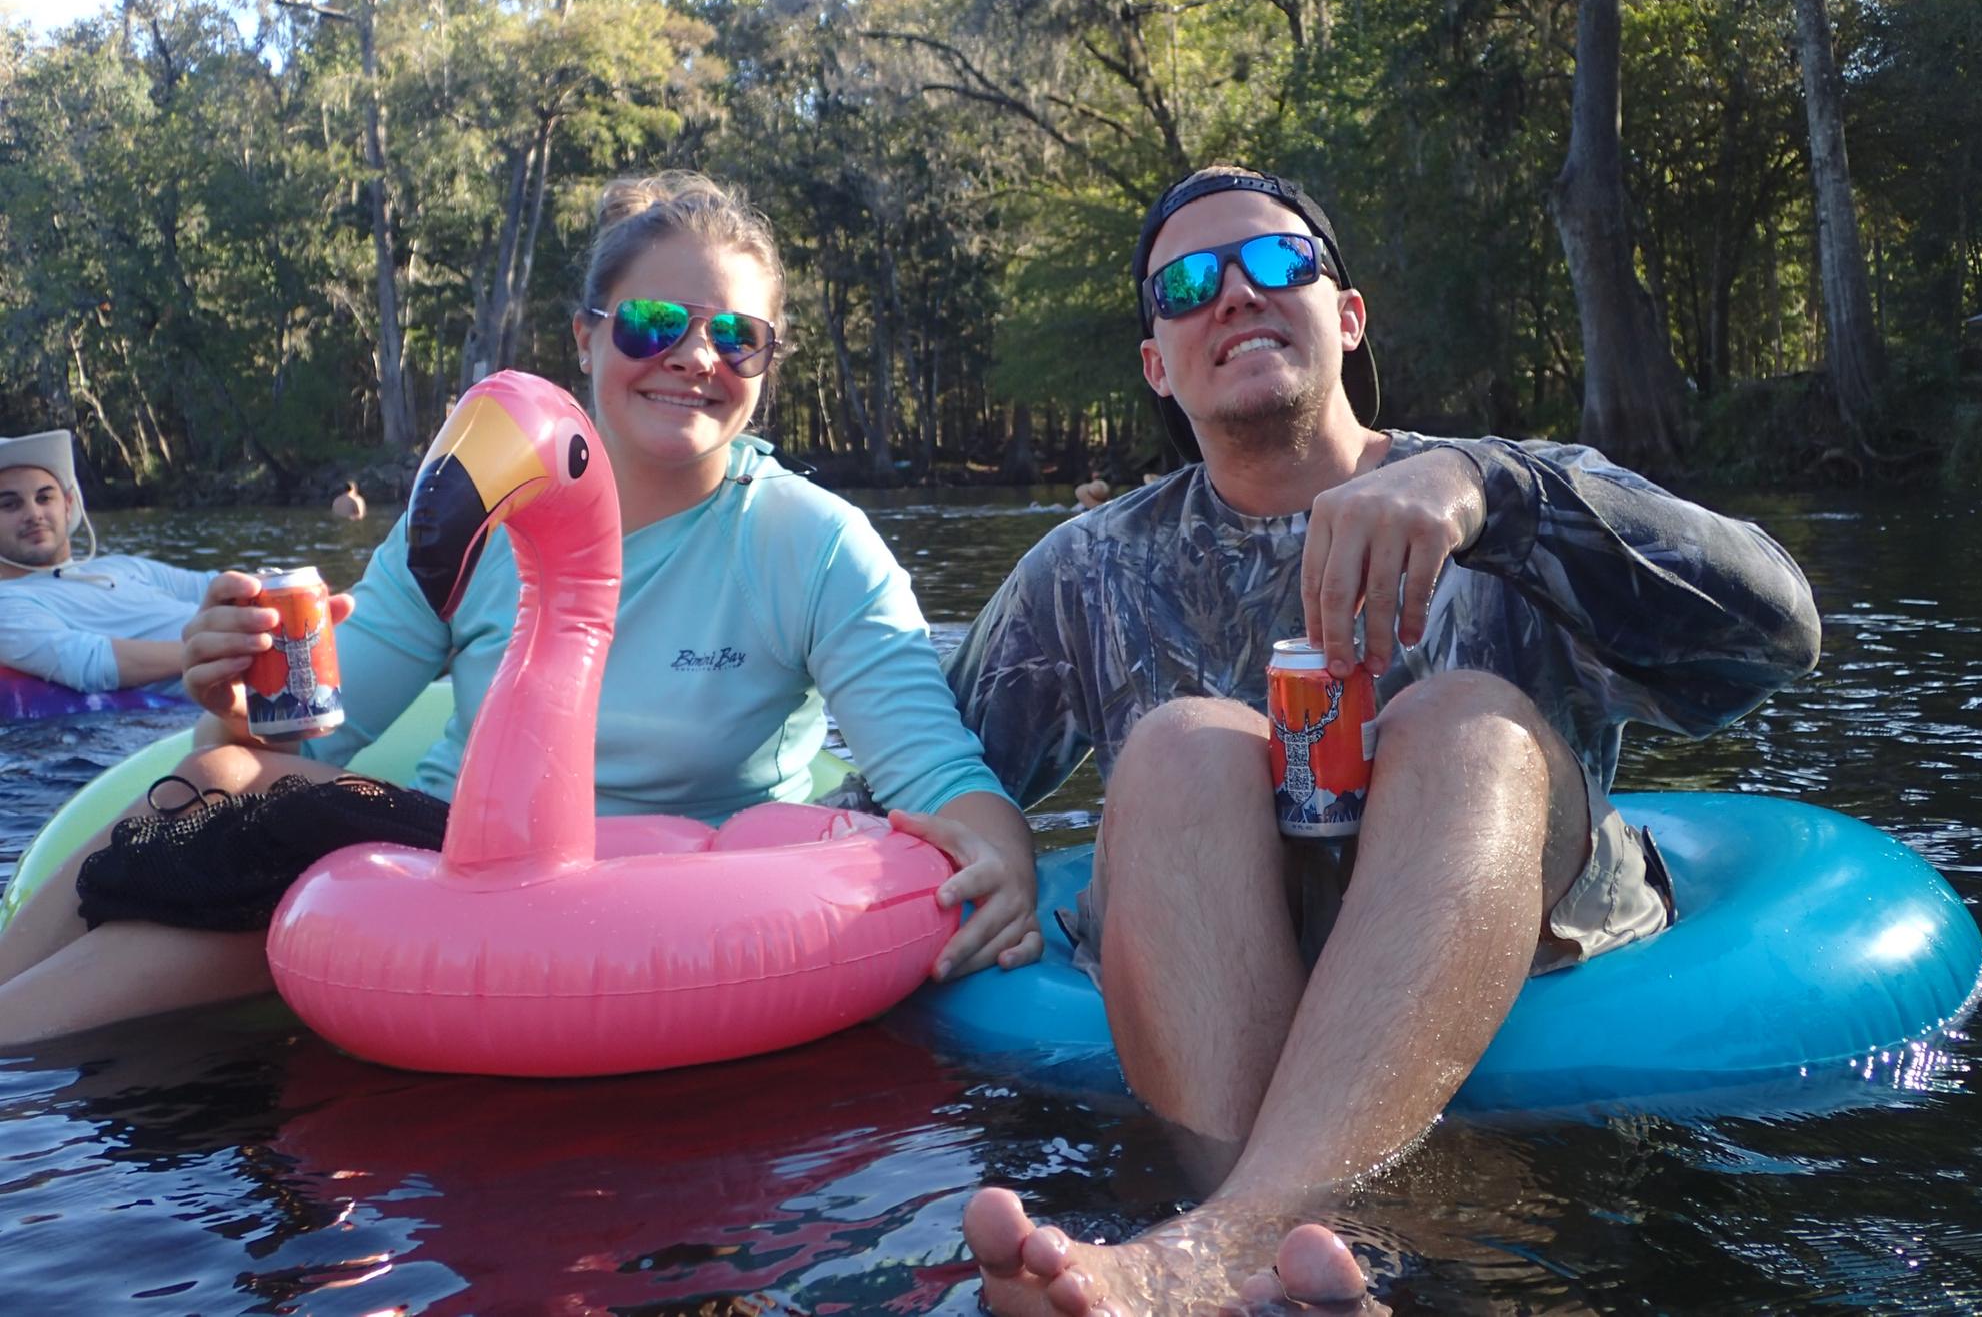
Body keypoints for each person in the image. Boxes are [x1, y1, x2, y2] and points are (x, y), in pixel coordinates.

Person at [946, 166, 1822, 1313]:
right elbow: (924, 768)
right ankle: (1284, 1272)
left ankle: (1218, 1252)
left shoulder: (1506, 492)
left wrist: (1491, 493)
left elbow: (1775, 637)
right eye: (1188, 284)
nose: (1235, 296)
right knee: (1177, 745)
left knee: (1460, 720)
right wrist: (990, 835)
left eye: (1275, 264)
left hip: (1506, 916)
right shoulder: (1086, 570)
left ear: (1345, 316)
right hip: (1220, 974)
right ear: (1156, 362)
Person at [0, 171, 1041, 1043]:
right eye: (651, 322)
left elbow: (935, 774)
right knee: (224, 771)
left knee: (262, 849)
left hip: (663, 908)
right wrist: (232, 692)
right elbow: (315, 735)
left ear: (766, 365)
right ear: (585, 337)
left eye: (738, 335)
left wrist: (1004, 865)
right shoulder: (479, 515)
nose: (694, 356)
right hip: (444, 858)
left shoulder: (808, 543)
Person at [0, 430, 212, 694]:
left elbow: (209, 585)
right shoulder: (7, 603)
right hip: (222, 691)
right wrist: (218, 651)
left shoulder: (121, 566)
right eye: (9, 505)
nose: (34, 514)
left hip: (254, 650)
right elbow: (90, 663)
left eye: (44, 498)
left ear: (67, 505)